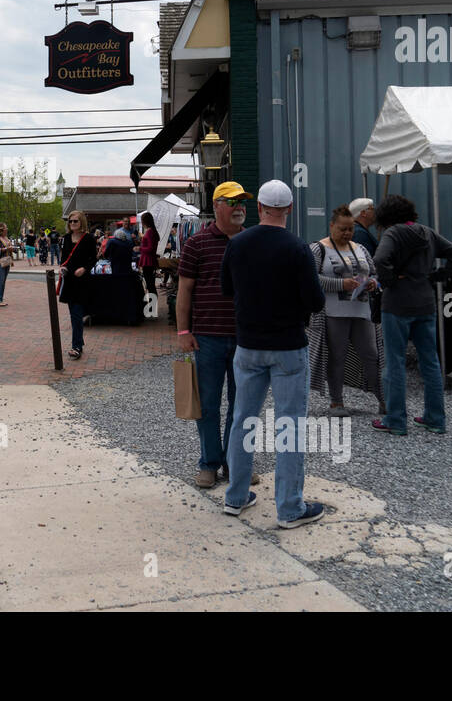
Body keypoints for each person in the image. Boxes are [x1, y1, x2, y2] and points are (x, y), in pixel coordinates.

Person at [220, 180, 326, 529]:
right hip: (288, 347)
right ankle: (289, 508)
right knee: (290, 426)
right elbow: (315, 301)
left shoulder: (237, 245)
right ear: (290, 209)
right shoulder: (298, 249)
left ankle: (235, 497)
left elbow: (225, 289)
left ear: (260, 207)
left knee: (242, 420)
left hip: (248, 344)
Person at [177, 181, 261, 489]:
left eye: (243, 201)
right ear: (217, 206)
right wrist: (183, 331)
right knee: (209, 405)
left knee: (243, 406)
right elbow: (184, 290)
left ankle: (236, 464)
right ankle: (209, 463)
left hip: (246, 338)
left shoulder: (253, 242)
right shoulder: (197, 243)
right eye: (233, 201)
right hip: (208, 338)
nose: (240, 207)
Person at [371, 194, 452, 435]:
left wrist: (390, 280)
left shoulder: (393, 233)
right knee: (431, 363)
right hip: (425, 302)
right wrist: (438, 276)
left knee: (395, 362)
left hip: (397, 304)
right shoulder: (428, 232)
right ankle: (435, 418)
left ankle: (395, 419)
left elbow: (380, 259)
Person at [310, 205, 381, 416]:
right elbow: (311, 278)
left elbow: (375, 273)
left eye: (350, 229)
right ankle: (336, 401)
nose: (347, 233)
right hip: (333, 312)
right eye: (342, 229)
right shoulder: (318, 249)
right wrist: (341, 285)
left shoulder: (361, 249)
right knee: (337, 356)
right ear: (331, 226)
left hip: (361, 311)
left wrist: (372, 284)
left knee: (371, 354)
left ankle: (383, 398)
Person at [58, 210, 97, 359]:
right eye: (70, 221)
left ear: (82, 222)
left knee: (76, 314)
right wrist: (62, 267)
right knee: (74, 315)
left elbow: (93, 259)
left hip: (82, 281)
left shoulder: (88, 239)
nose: (72, 223)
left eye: (75, 221)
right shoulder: (66, 238)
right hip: (69, 280)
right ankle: (79, 343)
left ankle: (77, 346)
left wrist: (84, 269)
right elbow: (64, 258)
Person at [139, 211, 160, 311]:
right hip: (149, 260)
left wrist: (140, 248)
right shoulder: (152, 231)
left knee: (150, 285)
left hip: (148, 261)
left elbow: (150, 248)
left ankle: (152, 308)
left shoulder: (150, 232)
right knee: (150, 284)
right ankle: (152, 307)